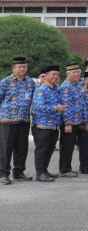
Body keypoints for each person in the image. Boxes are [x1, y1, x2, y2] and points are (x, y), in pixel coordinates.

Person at [0, 56, 36, 184]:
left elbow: (35, 100)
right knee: (6, 148)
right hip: (8, 120)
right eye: (20, 67)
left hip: (24, 120)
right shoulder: (5, 82)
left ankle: (19, 172)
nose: (22, 69)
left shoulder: (30, 82)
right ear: (13, 68)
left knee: (22, 148)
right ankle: (3, 173)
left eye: (24, 66)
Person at [32, 65, 64, 182]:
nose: (55, 77)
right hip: (42, 126)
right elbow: (39, 107)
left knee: (50, 149)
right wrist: (56, 108)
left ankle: (44, 171)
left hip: (54, 126)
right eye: (53, 75)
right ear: (45, 76)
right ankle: (40, 173)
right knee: (42, 150)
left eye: (57, 75)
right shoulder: (41, 90)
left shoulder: (55, 89)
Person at [58, 63, 84, 178]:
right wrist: (67, 123)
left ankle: (67, 168)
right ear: (68, 74)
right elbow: (66, 106)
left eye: (78, 72)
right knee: (66, 147)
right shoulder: (66, 87)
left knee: (71, 146)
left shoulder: (77, 85)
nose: (77, 74)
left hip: (76, 121)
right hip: (69, 123)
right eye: (74, 72)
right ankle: (64, 169)